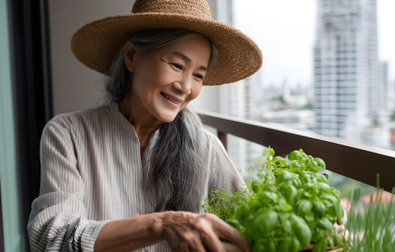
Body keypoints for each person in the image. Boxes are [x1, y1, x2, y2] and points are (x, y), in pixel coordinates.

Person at [27, 0, 262, 251]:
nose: (185, 87)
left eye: (198, 75)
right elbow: (51, 238)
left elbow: (252, 230)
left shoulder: (207, 148)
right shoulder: (68, 134)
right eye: (177, 65)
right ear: (132, 57)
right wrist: (164, 224)